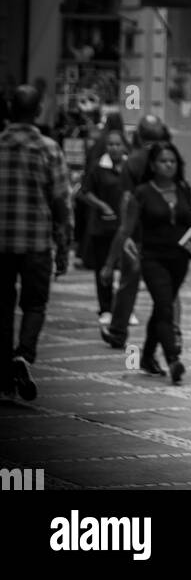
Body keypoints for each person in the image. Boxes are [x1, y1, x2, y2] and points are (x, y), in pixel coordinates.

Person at [0, 85, 72, 402]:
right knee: (34, 304)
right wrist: (64, 245)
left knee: (1, 305)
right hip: (36, 243)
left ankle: (4, 370)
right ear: (38, 110)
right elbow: (61, 202)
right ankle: (23, 356)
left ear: (10, 108)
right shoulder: (48, 148)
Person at [120, 140, 191, 382]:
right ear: (154, 165)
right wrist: (121, 252)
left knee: (161, 307)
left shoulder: (183, 189)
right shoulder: (143, 192)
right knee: (165, 306)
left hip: (179, 258)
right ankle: (173, 359)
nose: (169, 165)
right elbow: (129, 226)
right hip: (153, 258)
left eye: (172, 161)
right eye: (163, 161)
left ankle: (146, 356)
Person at [100, 114, 171, 350]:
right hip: (162, 236)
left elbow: (126, 204)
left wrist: (110, 261)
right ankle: (173, 336)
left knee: (128, 283)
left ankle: (118, 333)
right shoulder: (169, 160)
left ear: (138, 135)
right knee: (166, 289)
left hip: (137, 234)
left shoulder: (133, 162)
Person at [79, 128, 129, 327]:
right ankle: (106, 308)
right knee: (103, 267)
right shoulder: (98, 167)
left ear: (124, 146)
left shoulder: (129, 166)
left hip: (125, 227)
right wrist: (102, 205)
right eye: (111, 144)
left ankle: (126, 308)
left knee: (127, 267)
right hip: (103, 226)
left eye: (118, 144)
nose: (114, 148)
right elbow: (84, 192)